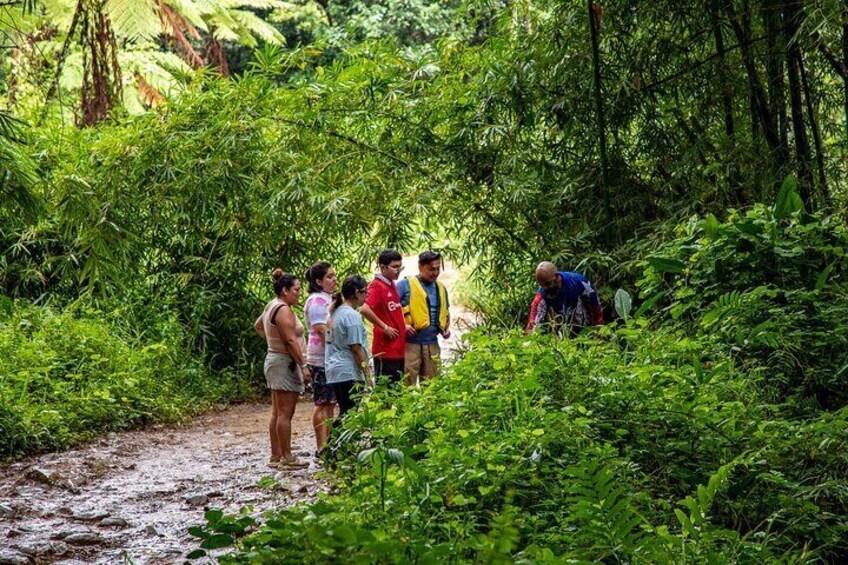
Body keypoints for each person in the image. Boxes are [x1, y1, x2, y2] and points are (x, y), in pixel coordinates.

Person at [254, 269, 311, 469]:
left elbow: (259, 326)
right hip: (283, 361)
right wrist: (303, 365)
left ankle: (276, 454)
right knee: (285, 412)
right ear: (285, 290)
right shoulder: (283, 309)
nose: (299, 294)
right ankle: (287, 457)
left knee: (277, 412)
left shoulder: (272, 305)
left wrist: (272, 343)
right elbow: (289, 340)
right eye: (296, 290)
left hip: (274, 359)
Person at [397, 251, 450, 386]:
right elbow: (391, 312)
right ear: (420, 267)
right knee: (406, 385)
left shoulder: (441, 288)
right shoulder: (405, 285)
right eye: (431, 269)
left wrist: (445, 329)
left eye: (438, 268)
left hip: (432, 344)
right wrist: (404, 326)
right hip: (410, 345)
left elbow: (445, 313)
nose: (435, 272)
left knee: (433, 386)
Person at [325, 275, 373, 420]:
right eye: (365, 292)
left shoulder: (335, 312)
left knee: (345, 412)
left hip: (334, 369)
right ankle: (335, 443)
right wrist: (368, 375)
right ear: (357, 293)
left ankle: (336, 442)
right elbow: (356, 348)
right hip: (348, 371)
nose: (366, 296)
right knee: (349, 414)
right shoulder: (351, 316)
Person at [303, 261, 338, 456]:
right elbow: (322, 330)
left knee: (330, 403)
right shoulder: (316, 301)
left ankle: (329, 444)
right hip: (320, 357)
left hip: (328, 357)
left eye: (334, 276)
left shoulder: (327, 299)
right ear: (318, 281)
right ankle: (321, 445)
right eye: (329, 277)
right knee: (322, 402)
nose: (334, 280)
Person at [360, 249, 406, 385]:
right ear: (383, 267)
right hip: (385, 350)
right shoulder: (376, 286)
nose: (398, 271)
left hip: (398, 348)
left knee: (396, 391)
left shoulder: (392, 285)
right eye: (394, 267)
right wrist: (384, 327)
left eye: (400, 267)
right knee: (384, 392)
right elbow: (364, 308)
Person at [526, 261, 604, 335]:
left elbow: (595, 304)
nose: (546, 288)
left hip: (582, 321)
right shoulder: (542, 294)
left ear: (556, 276)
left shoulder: (577, 282)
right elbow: (533, 322)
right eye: (542, 285)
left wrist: (599, 327)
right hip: (561, 327)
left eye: (548, 283)